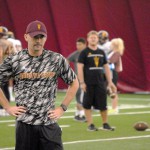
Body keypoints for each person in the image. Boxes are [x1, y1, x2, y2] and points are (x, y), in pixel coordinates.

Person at [0, 20, 79, 150]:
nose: (38, 40)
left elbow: (74, 82)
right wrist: (8, 107)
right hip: (25, 125)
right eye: (34, 36)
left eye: (41, 36)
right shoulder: (15, 60)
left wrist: (62, 108)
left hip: (48, 124)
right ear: (26, 37)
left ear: (45, 38)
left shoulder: (56, 59)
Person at [77, 30, 116, 131]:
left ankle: (105, 124)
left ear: (97, 39)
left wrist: (110, 82)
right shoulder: (84, 53)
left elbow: (106, 67)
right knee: (87, 104)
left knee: (103, 104)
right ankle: (90, 125)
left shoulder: (102, 52)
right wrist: (81, 82)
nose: (93, 39)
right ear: (88, 39)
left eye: (95, 37)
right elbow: (80, 68)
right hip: (88, 83)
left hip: (100, 83)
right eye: (91, 38)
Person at [67, 38, 86, 122]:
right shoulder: (75, 54)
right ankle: (81, 115)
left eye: (80, 44)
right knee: (80, 97)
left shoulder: (88, 54)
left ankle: (78, 114)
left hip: (86, 79)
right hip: (77, 80)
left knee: (82, 97)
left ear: (84, 44)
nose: (78, 46)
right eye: (77, 44)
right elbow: (66, 60)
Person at [108, 38, 125, 113]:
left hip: (112, 72)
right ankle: (113, 107)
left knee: (113, 90)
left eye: (111, 44)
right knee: (110, 90)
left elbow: (111, 61)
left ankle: (114, 108)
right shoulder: (113, 52)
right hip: (109, 72)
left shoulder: (116, 53)